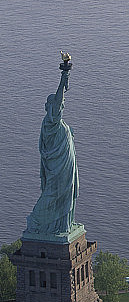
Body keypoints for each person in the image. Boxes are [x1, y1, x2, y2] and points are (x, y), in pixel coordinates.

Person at [25, 69, 79, 236]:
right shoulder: (51, 121)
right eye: (58, 104)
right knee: (54, 193)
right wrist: (64, 77)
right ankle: (37, 220)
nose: (62, 106)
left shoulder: (55, 123)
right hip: (58, 167)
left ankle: (63, 224)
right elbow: (58, 99)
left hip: (64, 164)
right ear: (50, 107)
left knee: (65, 193)